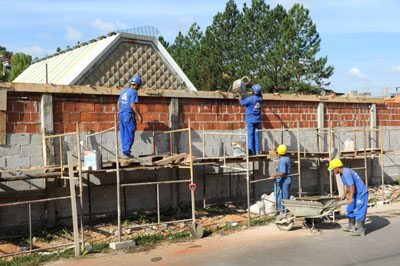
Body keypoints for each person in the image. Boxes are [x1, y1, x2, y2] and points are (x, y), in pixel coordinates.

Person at [328, 159, 369, 236]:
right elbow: (345, 184)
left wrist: (350, 198)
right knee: (350, 208)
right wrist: (344, 195)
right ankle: (351, 226)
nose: (333, 171)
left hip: (361, 193)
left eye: (333, 169)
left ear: (337, 167)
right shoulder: (341, 174)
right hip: (354, 193)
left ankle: (360, 230)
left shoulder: (346, 173)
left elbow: (351, 185)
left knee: (359, 210)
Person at [117, 76, 143, 159]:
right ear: (136, 85)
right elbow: (133, 104)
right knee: (130, 133)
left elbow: (118, 103)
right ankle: (126, 153)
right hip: (128, 114)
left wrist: (121, 112)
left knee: (124, 133)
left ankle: (125, 153)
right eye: (139, 86)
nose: (139, 88)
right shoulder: (134, 92)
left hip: (121, 114)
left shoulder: (124, 91)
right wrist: (139, 115)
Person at [239, 84, 263, 155]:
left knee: (249, 135)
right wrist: (252, 83)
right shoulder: (260, 98)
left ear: (253, 91)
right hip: (257, 120)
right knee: (256, 135)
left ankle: (251, 151)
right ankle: (257, 151)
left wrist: (240, 97)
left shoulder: (250, 99)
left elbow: (242, 103)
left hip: (250, 120)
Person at [270, 144, 292, 213]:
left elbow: (283, 173)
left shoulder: (282, 161)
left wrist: (275, 175)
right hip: (287, 180)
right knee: (283, 196)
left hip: (284, 181)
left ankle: (283, 213)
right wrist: (276, 151)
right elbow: (280, 156)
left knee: (282, 197)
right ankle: (283, 212)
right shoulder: (286, 157)